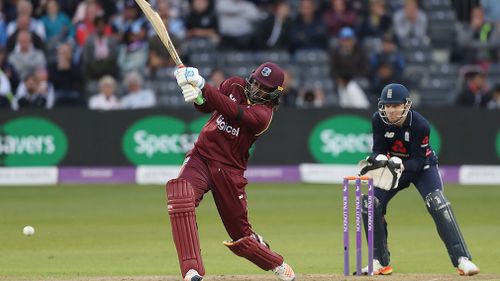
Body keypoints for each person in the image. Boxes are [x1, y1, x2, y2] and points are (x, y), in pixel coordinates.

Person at [167, 62, 296, 281]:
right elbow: (209, 106)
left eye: (264, 88)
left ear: (274, 94)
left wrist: (202, 85)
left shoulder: (263, 116)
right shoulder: (234, 84)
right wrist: (198, 97)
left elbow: (235, 112)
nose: (256, 89)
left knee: (240, 236)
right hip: (202, 156)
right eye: (255, 82)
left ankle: (276, 263)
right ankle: (191, 270)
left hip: (229, 171)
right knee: (181, 199)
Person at [359, 83, 480, 276]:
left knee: (437, 202)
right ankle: (380, 262)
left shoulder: (420, 125)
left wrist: (400, 164)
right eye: (387, 105)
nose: (390, 110)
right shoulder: (378, 120)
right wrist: (377, 161)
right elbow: (379, 149)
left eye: (395, 105)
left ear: (406, 105)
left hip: (422, 168)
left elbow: (418, 160)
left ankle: (462, 260)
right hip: (395, 170)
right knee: (369, 203)